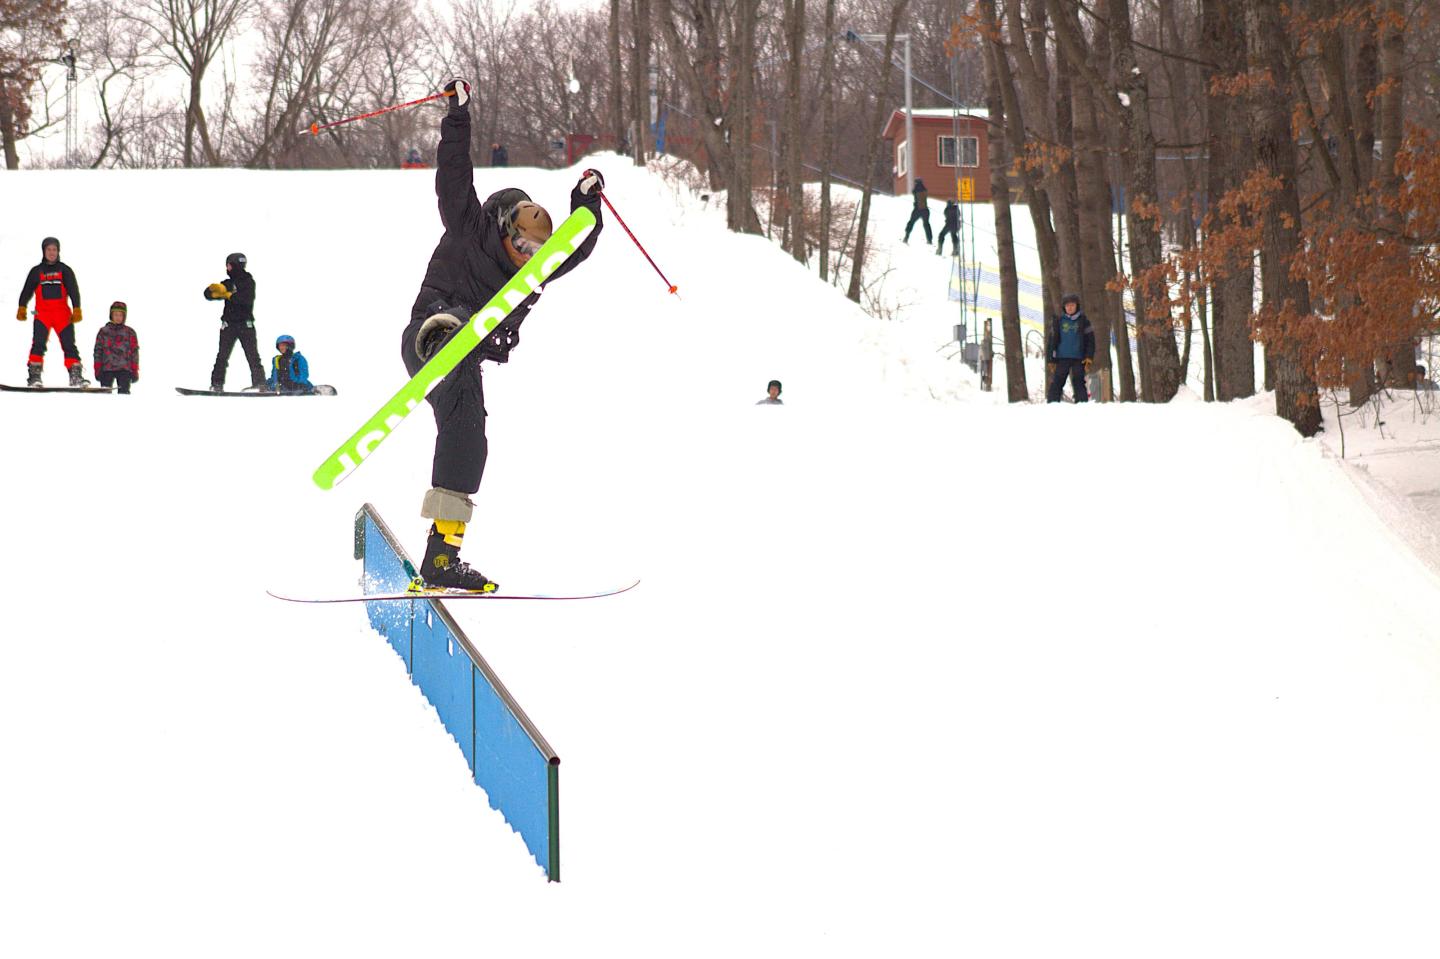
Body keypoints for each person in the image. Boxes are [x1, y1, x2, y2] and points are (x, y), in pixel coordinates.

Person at [402, 77, 604, 591]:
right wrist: (457, 113)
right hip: (429, 334)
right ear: (507, 227)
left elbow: (574, 248)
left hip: (466, 363)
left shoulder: (534, 270)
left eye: (536, 254)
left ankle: (442, 555)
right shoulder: (468, 223)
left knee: (469, 438)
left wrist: (587, 206)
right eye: (521, 246)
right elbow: (453, 169)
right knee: (455, 331)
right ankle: (452, 333)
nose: (527, 259)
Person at [17, 236, 88, 387]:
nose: (51, 252)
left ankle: (75, 376)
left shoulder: (65, 270)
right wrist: (22, 306)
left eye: (54, 249)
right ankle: (34, 377)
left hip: (63, 316)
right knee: (38, 345)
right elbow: (27, 290)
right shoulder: (36, 271)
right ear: (43, 251)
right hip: (42, 315)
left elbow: (74, 290)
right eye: (48, 249)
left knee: (69, 345)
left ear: (58, 251)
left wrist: (77, 308)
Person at [203, 252, 265, 392]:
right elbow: (207, 294)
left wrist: (229, 295)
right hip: (229, 324)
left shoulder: (248, 281)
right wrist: (213, 289)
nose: (227, 268)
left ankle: (260, 383)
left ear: (235, 265)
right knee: (222, 355)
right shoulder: (228, 282)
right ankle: (216, 384)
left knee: (252, 355)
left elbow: (245, 299)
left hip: (245, 323)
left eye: (229, 265)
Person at [1046, 293, 1096, 403]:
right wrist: (1051, 359)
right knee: (1058, 381)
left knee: (1078, 381)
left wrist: (1089, 356)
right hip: (1062, 357)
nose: (1070, 308)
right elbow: (1051, 342)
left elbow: (1091, 341)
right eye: (1067, 305)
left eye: (1072, 305)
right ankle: (1051, 404)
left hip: (1079, 358)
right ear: (1064, 307)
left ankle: (1082, 404)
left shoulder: (1084, 321)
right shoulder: (1058, 322)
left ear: (1077, 306)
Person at [93, 301, 139, 394]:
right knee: (105, 393)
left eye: (120, 315)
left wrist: (134, 369)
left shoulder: (130, 332)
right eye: (116, 315)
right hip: (107, 368)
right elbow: (98, 350)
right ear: (111, 315)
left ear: (124, 317)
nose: (118, 317)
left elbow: (134, 351)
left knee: (124, 393)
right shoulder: (103, 331)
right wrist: (97, 367)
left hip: (124, 368)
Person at [902, 178, 932, 245]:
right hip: (925, 210)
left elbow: (914, 192)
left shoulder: (916, 189)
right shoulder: (924, 190)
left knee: (911, 223)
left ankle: (906, 237)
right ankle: (929, 240)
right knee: (926, 224)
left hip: (917, 210)